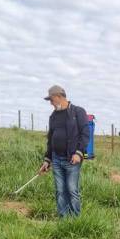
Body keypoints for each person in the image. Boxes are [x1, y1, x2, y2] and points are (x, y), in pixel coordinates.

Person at [39, 85, 90, 217]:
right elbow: (51, 139)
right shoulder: (53, 116)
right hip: (56, 159)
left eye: (51, 99)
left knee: (72, 190)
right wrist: (47, 159)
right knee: (60, 190)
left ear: (59, 96)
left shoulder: (78, 112)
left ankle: (75, 220)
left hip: (72, 159)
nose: (50, 103)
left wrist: (79, 153)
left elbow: (85, 134)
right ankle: (63, 220)